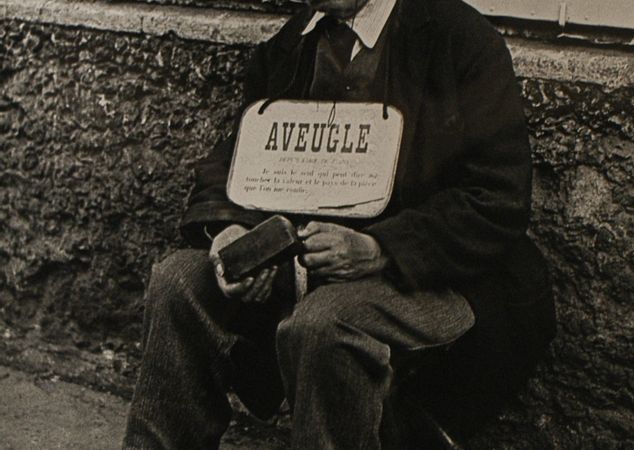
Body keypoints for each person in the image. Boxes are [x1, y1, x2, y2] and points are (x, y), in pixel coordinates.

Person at [123, 0, 556, 448]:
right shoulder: (295, 42)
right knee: (178, 282)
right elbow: (233, 162)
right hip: (309, 270)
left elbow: (498, 198)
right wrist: (230, 230)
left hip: (438, 276)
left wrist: (380, 249)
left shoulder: (458, 38)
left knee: (324, 323)